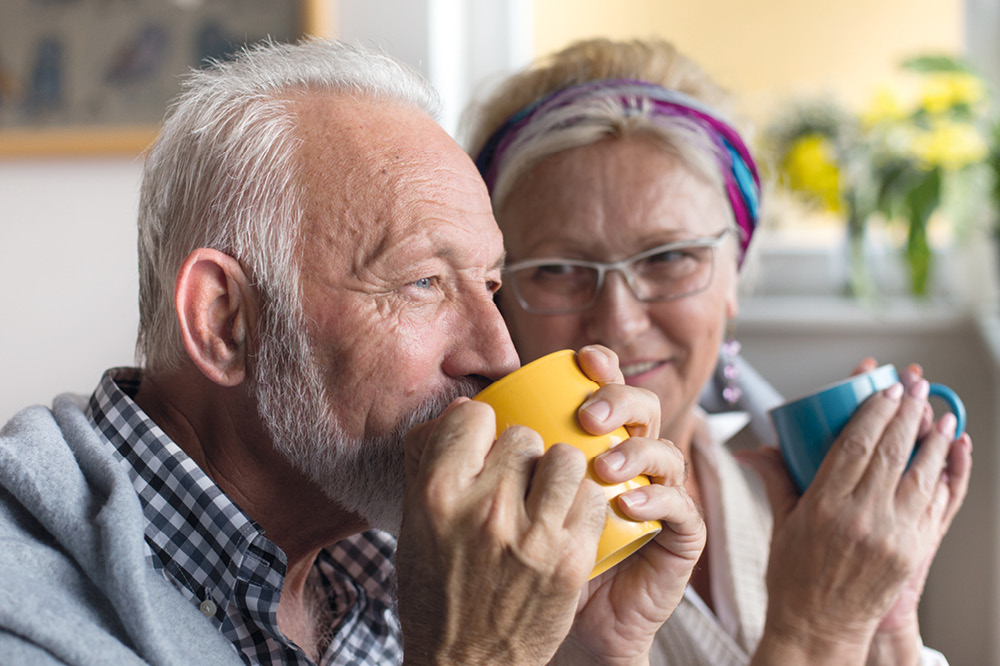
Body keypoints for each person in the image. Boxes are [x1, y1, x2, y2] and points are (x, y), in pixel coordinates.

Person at [0, 39, 708, 665]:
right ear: (224, 322)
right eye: (423, 283)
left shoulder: (374, 569)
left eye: (490, 286)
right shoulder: (25, 609)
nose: (499, 356)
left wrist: (576, 651)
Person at [464, 37, 973, 666]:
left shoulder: (785, 499)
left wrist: (887, 620)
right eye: (559, 269)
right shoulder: (470, 561)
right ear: (499, 293)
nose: (618, 321)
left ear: (736, 276)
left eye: (670, 257)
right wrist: (819, 630)